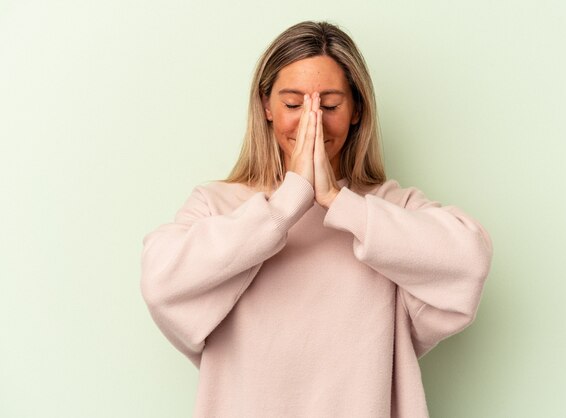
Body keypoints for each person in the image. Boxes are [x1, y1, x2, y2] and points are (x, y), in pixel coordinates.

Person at [140, 20, 493, 418]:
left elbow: (470, 262)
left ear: (356, 109)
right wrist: (287, 204)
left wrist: (338, 202)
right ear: (266, 107)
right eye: (294, 105)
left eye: (329, 106)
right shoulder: (217, 205)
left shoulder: (388, 207)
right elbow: (161, 283)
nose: (312, 122)